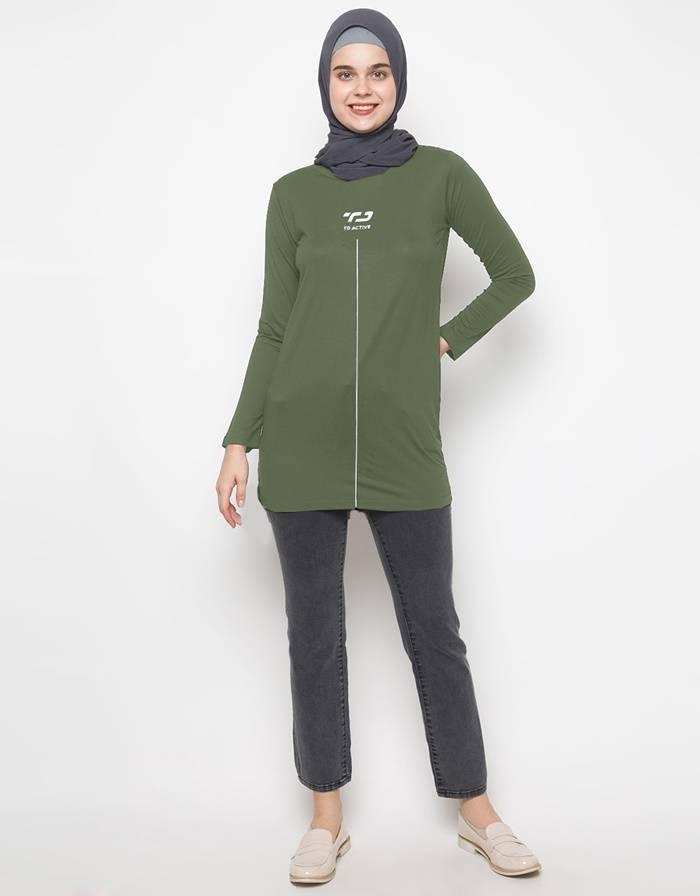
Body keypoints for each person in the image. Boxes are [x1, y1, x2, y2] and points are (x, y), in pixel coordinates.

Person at [216, 7, 541, 885]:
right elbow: (274, 329)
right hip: (302, 445)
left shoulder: (441, 175)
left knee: (435, 632)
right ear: (325, 85)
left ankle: (477, 811)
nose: (361, 89)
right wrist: (240, 437)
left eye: (378, 72)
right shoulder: (293, 194)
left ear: (398, 80)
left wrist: (445, 339)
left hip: (404, 447)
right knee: (313, 638)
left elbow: (515, 274)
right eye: (344, 73)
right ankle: (325, 820)